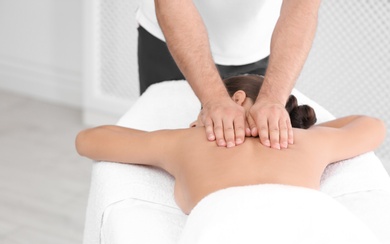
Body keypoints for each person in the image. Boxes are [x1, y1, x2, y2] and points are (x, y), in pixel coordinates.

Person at [76, 75, 386, 215]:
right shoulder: (308, 141)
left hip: (222, 233)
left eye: (201, 111)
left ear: (235, 99)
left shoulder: (187, 140)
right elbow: (372, 125)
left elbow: (88, 140)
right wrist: (288, 128)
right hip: (304, 228)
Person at [136, 0, 322, 150]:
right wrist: (212, 99)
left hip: (260, 40)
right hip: (172, 35)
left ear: (239, 99)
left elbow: (304, 6)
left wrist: (273, 97)